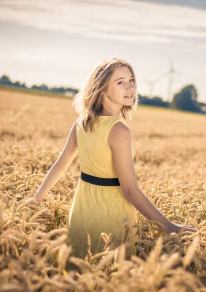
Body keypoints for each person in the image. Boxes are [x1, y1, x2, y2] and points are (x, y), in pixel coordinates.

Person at [24, 58, 196, 259]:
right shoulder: (119, 130)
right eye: (120, 82)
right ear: (102, 88)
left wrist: (36, 199)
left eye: (131, 79)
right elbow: (130, 190)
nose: (130, 86)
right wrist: (169, 227)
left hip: (80, 212)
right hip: (112, 217)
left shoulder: (82, 123)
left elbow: (61, 164)